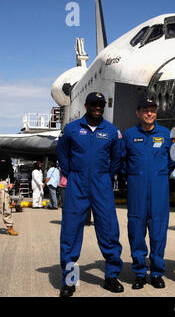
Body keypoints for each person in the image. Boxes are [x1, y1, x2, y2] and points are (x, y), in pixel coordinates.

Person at [57, 92, 123, 297]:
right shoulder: (71, 129)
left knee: (109, 229)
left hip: (102, 183)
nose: (97, 107)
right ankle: (70, 280)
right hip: (77, 183)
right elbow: (62, 154)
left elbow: (117, 158)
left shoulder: (112, 131)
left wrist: (103, 175)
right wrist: (73, 174)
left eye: (101, 104)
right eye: (94, 104)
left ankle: (111, 276)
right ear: (86, 105)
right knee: (70, 231)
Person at [122, 99, 175, 290]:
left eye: (153, 111)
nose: (149, 114)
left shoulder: (165, 134)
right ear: (138, 113)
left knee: (158, 233)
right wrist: (135, 176)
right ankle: (138, 273)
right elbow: (122, 162)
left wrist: (158, 175)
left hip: (159, 190)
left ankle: (156, 273)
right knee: (136, 233)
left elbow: (171, 162)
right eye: (146, 111)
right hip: (137, 191)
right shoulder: (129, 135)